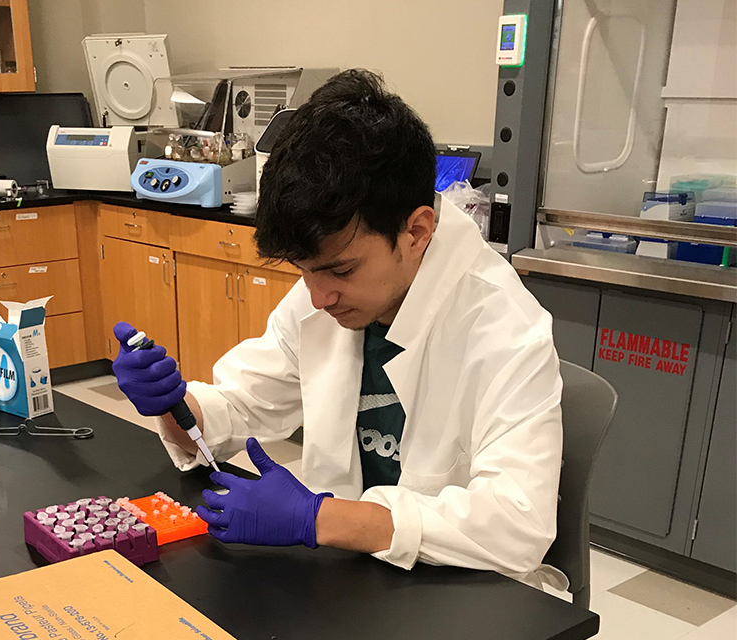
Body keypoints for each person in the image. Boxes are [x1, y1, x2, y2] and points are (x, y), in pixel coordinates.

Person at [112, 69, 565, 588]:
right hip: (349, 576)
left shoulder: (506, 327)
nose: (318, 297)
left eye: (340, 271)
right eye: (304, 271)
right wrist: (173, 406)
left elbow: (517, 524)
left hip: (466, 590)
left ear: (416, 231)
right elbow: (237, 409)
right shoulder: (323, 293)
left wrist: (319, 518)